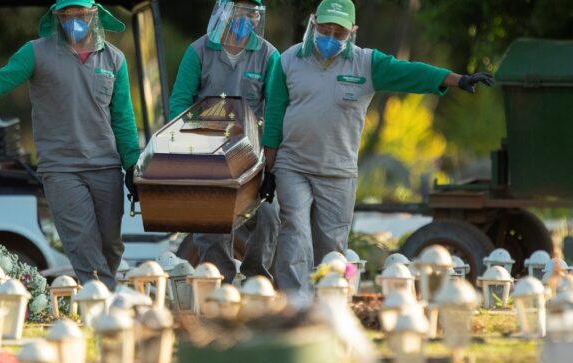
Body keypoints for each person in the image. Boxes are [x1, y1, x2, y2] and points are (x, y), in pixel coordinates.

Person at [260, 0, 494, 298]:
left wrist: (458, 80)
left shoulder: (366, 63)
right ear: (313, 23)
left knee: (331, 245)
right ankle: (296, 303)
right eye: (325, 28)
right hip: (293, 165)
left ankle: (329, 301)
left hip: (337, 172)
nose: (330, 37)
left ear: (352, 31)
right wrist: (270, 167)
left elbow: (410, 73)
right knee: (294, 229)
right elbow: (275, 115)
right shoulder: (288, 60)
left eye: (339, 32)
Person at [0, 0, 140, 290]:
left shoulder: (114, 60)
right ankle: (102, 305)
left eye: (80, 14)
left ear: (94, 15)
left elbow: (123, 119)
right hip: (61, 169)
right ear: (56, 17)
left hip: (105, 167)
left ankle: (100, 296)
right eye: (66, 15)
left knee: (111, 245)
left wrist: (133, 166)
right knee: (83, 244)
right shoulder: (36, 53)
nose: (74, 21)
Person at [169, 0, 281, 283]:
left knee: (268, 216)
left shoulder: (268, 55)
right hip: (207, 153)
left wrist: (270, 164)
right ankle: (221, 285)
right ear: (224, 13)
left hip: (251, 156)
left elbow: (275, 109)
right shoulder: (199, 51)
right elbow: (180, 102)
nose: (246, 20)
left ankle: (257, 279)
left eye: (252, 15)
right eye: (240, 13)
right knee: (210, 225)